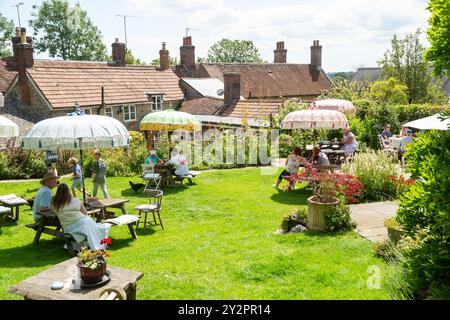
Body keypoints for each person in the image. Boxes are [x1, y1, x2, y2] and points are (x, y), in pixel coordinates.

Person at [52, 183, 111, 251]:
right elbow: (85, 213)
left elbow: (56, 213)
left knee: (94, 227)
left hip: (68, 228)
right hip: (81, 224)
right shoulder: (75, 201)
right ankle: (100, 244)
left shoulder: (55, 204)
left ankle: (98, 243)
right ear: (68, 191)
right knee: (98, 227)